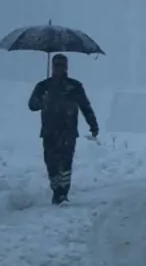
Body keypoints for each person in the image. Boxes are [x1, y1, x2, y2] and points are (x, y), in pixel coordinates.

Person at [28, 54, 99, 205]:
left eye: (62, 65)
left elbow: (85, 106)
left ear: (67, 67)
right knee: (51, 163)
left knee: (66, 163)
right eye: (57, 65)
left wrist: (93, 124)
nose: (59, 68)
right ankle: (56, 190)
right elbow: (32, 105)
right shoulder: (44, 86)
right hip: (49, 130)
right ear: (52, 67)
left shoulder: (74, 86)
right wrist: (42, 101)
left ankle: (63, 193)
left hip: (68, 131)